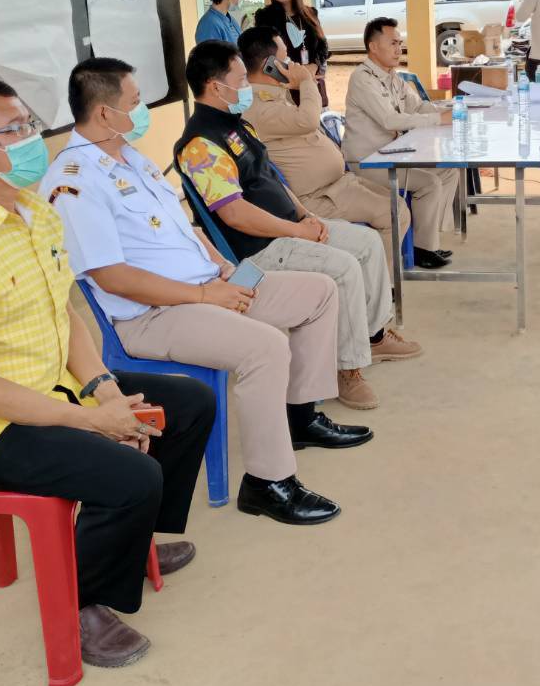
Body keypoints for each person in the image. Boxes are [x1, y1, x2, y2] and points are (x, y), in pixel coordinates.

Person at [0, 76, 215, 668]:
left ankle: (131, 538)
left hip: (45, 391)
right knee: (129, 475)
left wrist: (104, 389)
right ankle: (83, 602)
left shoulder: (32, 211)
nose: (32, 138)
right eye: (14, 129)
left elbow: (63, 312)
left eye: (29, 123)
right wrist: (92, 423)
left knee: (189, 404)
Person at [40, 57, 367, 527]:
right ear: (105, 114)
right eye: (134, 104)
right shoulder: (73, 182)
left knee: (318, 292)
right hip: (153, 314)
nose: (142, 111)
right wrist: (203, 297)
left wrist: (221, 268)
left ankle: (298, 415)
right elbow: (111, 277)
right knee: (266, 347)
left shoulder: (130, 157)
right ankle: (268, 483)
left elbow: (184, 227)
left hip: (207, 285)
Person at [177, 40, 420, 412]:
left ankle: (372, 335)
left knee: (368, 243)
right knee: (343, 268)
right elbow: (235, 215)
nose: (248, 87)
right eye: (241, 79)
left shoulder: (238, 124)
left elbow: (273, 180)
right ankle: (347, 368)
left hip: (292, 225)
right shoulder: (200, 144)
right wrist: (295, 230)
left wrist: (307, 216)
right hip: (259, 249)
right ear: (215, 86)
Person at [240, 26, 412, 265]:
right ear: (269, 65)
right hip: (319, 197)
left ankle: (378, 277)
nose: (291, 66)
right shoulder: (258, 105)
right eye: (285, 60)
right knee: (395, 213)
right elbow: (308, 120)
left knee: (398, 203)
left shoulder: (274, 94)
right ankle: (383, 287)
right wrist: (306, 81)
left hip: (337, 184)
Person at [342, 17, 461, 264]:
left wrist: (449, 109)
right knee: (429, 182)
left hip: (393, 154)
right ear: (373, 47)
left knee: (449, 170)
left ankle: (428, 238)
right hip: (368, 161)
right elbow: (390, 120)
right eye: (393, 43)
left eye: (400, 43)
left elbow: (417, 107)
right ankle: (422, 249)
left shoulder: (393, 77)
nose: (399, 49)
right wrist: (439, 120)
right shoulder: (362, 78)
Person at [254, 0, 330, 107]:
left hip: (312, 80)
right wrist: (296, 73)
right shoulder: (265, 17)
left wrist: (314, 66)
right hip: (284, 83)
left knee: (315, 122)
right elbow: (266, 54)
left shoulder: (310, 13)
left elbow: (323, 45)